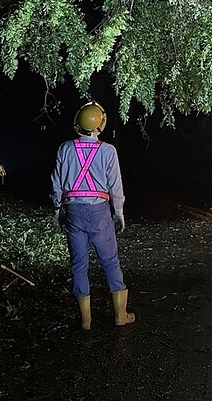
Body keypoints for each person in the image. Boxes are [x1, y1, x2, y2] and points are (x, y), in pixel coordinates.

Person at [51, 101, 135, 330]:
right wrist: (119, 214)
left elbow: (57, 183)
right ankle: (120, 315)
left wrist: (58, 211)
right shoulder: (108, 151)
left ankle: (85, 320)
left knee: (78, 265)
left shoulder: (65, 148)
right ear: (101, 124)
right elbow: (116, 187)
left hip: (74, 212)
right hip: (99, 212)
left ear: (78, 122)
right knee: (110, 262)